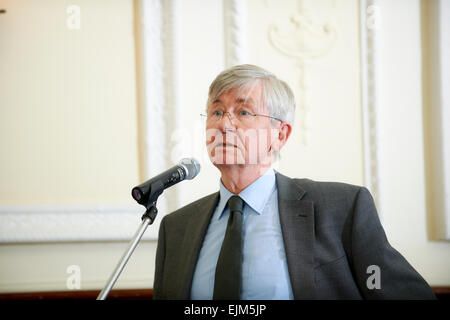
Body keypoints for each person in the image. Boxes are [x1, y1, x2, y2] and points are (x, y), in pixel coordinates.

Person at [153, 64, 435, 299]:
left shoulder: (342, 209)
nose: (224, 125)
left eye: (243, 113)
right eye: (216, 112)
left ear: (280, 135)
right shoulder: (176, 229)